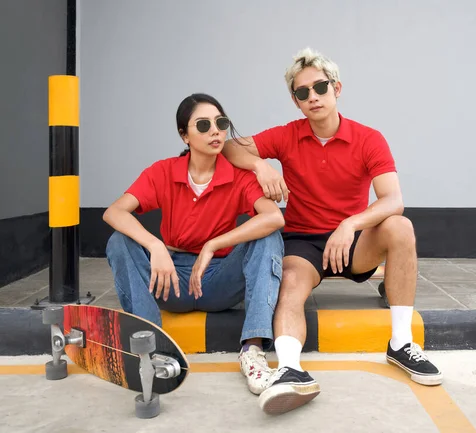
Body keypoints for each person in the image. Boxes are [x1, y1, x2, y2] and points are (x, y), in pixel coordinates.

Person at [221, 48, 443, 415]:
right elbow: (229, 147)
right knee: (290, 279)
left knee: (400, 226)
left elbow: (393, 200)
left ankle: (401, 344)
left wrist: (350, 223)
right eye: (302, 92)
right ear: (296, 101)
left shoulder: (368, 138)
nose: (312, 97)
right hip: (304, 241)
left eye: (319, 87)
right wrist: (261, 165)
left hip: (353, 242)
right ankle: (291, 369)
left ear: (336, 88)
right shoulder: (287, 135)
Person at [103, 93, 285, 396]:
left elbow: (273, 218)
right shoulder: (163, 171)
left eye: (221, 123)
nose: (215, 131)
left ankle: (252, 352)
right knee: (119, 241)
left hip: (218, 281)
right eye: (203, 125)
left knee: (268, 237)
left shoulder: (238, 176)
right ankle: (149, 346)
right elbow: (114, 212)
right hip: (169, 280)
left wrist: (214, 244)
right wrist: (156, 246)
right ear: (184, 135)